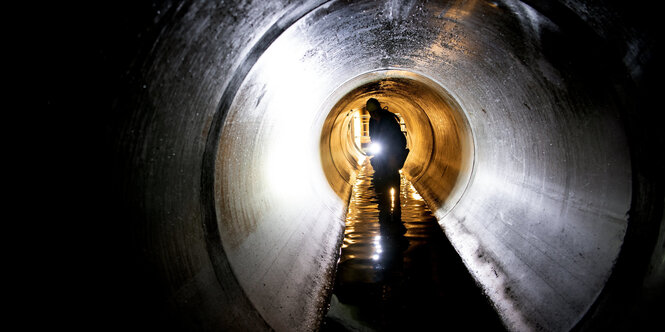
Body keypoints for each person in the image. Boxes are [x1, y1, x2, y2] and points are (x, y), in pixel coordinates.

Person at [366, 98, 407, 178]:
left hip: (394, 145)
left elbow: (394, 135)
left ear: (378, 109)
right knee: (377, 164)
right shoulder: (372, 121)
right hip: (383, 147)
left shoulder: (388, 119)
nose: (373, 114)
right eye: (371, 112)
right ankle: (381, 185)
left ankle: (394, 182)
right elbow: (372, 135)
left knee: (393, 167)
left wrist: (393, 153)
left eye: (374, 111)